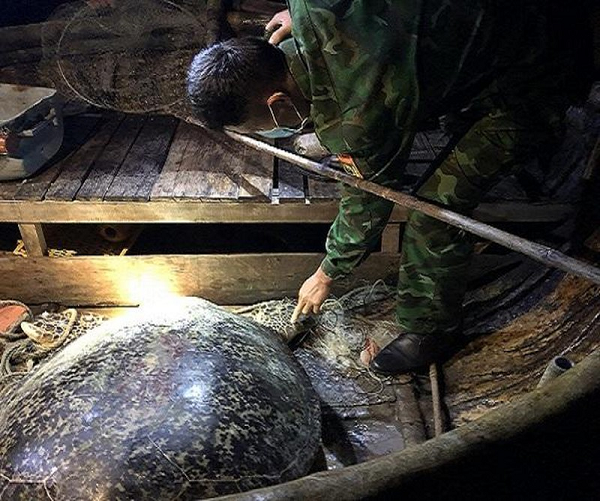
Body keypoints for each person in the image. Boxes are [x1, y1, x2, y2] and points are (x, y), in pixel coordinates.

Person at [187, 1, 594, 375]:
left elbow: (369, 201)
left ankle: (431, 330)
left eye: (260, 126)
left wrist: (327, 273)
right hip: (501, 22)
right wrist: (304, 17)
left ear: (278, 104)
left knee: (435, 207)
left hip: (541, 69)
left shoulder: (356, 117)